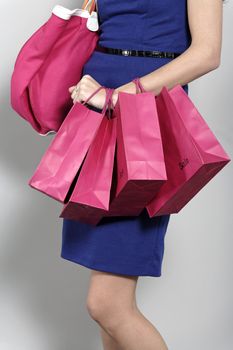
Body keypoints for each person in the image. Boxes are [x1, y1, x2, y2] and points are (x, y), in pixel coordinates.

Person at [62, 0, 224, 349]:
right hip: (95, 107)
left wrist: (121, 95)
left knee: (107, 305)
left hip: (144, 112)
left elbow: (207, 53)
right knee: (110, 313)